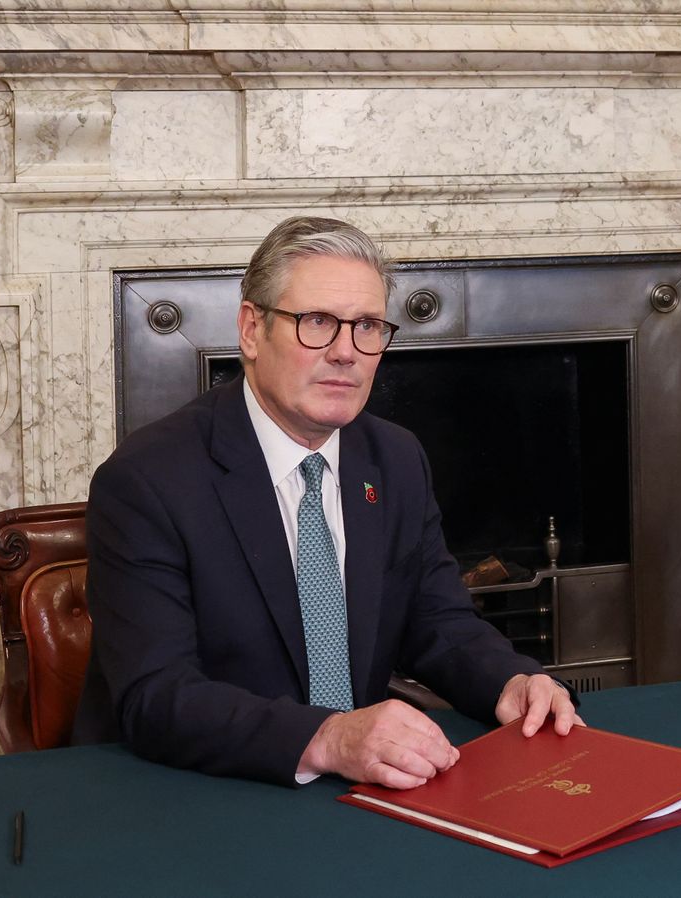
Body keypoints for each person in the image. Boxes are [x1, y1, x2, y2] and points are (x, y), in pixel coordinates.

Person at [74, 216, 578, 786]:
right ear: (250, 329)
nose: (346, 352)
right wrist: (328, 737)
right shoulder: (147, 479)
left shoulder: (394, 458)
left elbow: (437, 621)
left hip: (358, 788)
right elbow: (155, 695)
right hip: (195, 790)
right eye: (317, 322)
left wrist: (510, 682)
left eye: (367, 326)